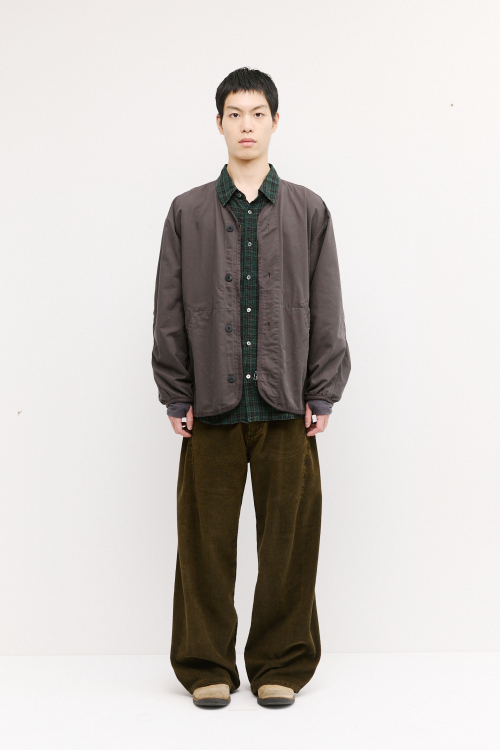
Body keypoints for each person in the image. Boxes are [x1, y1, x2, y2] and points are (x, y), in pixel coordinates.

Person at [151, 67, 351, 708]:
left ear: (274, 122)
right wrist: (176, 392)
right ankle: (206, 664)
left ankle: (280, 664)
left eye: (257, 113)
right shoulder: (187, 211)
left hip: (286, 404)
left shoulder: (308, 209)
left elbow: (326, 304)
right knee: (203, 546)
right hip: (210, 405)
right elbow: (169, 308)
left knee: (288, 546)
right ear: (219, 123)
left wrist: (322, 391)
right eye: (234, 114)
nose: (246, 125)